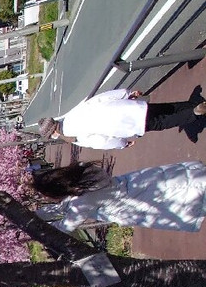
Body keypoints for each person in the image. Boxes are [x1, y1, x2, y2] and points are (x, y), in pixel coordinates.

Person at [33, 160, 206, 232]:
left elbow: (67, 225)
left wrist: (34, 228)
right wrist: (34, 216)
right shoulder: (83, 171)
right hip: (139, 182)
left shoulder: (83, 200)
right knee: (188, 185)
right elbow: (63, 207)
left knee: (190, 195)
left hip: (137, 203)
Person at [37, 89, 206, 150]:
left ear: (53, 133)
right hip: (125, 107)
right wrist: (126, 93)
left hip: (125, 125)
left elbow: (101, 142)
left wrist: (123, 143)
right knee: (164, 108)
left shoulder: (74, 137)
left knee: (162, 122)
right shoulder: (72, 113)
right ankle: (194, 104)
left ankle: (194, 112)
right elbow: (99, 99)